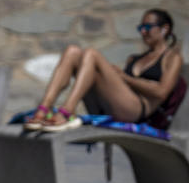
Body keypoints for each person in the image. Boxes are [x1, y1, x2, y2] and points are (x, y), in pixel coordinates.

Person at [24, 9, 184, 132]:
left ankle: (66, 111)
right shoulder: (134, 58)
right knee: (72, 51)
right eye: (141, 27)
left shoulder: (171, 58)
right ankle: (43, 109)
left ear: (164, 29)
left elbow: (161, 92)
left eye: (148, 27)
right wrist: (119, 77)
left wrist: (124, 78)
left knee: (92, 54)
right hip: (114, 106)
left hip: (136, 111)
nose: (143, 32)